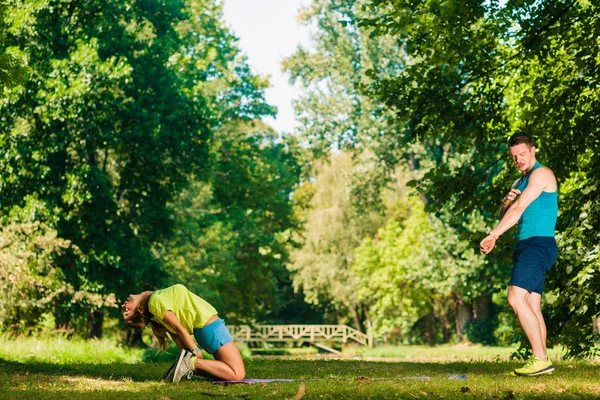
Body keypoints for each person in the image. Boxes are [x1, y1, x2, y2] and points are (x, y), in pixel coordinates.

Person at [480, 132, 558, 377]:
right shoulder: (517, 183)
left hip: (539, 244)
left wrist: (493, 235)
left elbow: (521, 207)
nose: (519, 160)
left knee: (515, 298)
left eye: (523, 154)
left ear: (533, 150)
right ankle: (543, 362)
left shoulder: (542, 174)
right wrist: (505, 202)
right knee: (532, 303)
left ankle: (540, 359)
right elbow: (508, 214)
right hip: (526, 245)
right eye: (514, 157)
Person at [122, 283, 245, 382]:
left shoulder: (157, 299)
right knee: (236, 374)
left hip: (209, 329)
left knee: (230, 370)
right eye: (126, 310)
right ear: (140, 309)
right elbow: (178, 329)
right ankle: (191, 364)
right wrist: (195, 351)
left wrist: (188, 352)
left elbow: (176, 333)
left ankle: (187, 365)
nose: (123, 305)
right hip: (211, 328)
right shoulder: (156, 302)